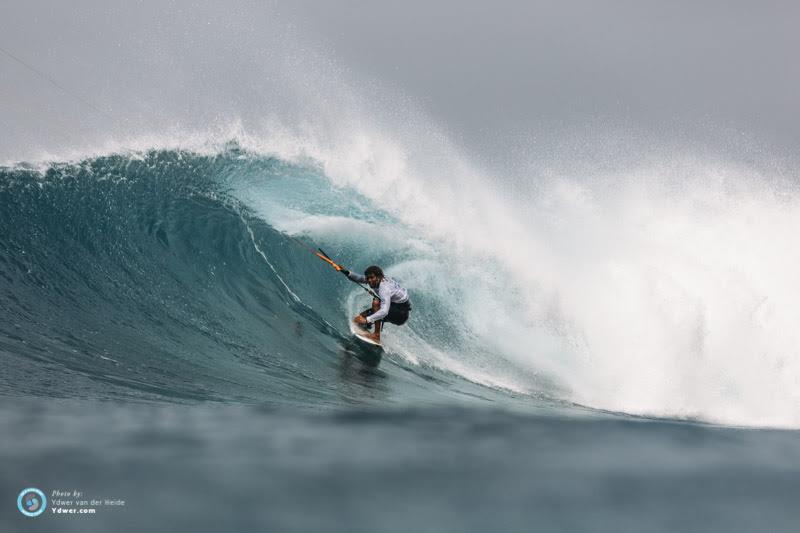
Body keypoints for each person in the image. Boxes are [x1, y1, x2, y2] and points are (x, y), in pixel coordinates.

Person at [341, 265, 411, 343]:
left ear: (378, 277)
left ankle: (376, 335)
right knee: (357, 321)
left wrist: (367, 320)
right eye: (368, 278)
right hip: (395, 307)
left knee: (376, 303)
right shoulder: (378, 279)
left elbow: (384, 311)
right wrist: (346, 272)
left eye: (372, 277)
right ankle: (367, 329)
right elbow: (360, 278)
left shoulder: (384, 288)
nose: (369, 280)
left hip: (400, 313)